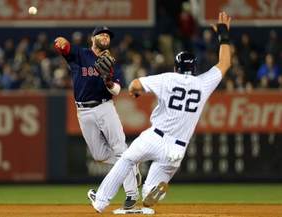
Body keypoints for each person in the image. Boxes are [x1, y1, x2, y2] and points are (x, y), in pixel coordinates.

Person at [87, 12, 232, 213]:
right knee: (149, 193)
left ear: (176, 67)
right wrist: (224, 35)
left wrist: (135, 92)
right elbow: (225, 64)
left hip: (155, 137)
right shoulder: (203, 84)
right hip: (177, 149)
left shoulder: (168, 78)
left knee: (127, 159)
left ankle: (100, 201)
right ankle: (152, 192)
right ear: (195, 69)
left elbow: (135, 84)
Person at [54, 26, 140, 209]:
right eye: (101, 34)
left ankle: (132, 194)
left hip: (104, 107)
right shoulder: (80, 54)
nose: (105, 37)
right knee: (99, 155)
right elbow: (65, 49)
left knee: (119, 147)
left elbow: (116, 90)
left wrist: (108, 79)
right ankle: (131, 164)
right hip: (83, 111)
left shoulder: (110, 61)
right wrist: (61, 43)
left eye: (108, 36)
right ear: (93, 39)